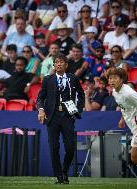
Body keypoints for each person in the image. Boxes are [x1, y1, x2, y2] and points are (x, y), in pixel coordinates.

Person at [36, 53, 85, 184]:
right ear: (54, 65)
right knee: (54, 147)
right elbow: (40, 97)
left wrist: (78, 110)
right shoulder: (47, 79)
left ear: (66, 65)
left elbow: (81, 95)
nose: (59, 64)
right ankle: (59, 176)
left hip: (68, 116)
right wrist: (41, 110)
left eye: (62, 62)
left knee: (70, 147)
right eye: (56, 62)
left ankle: (64, 171)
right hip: (52, 117)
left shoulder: (73, 78)